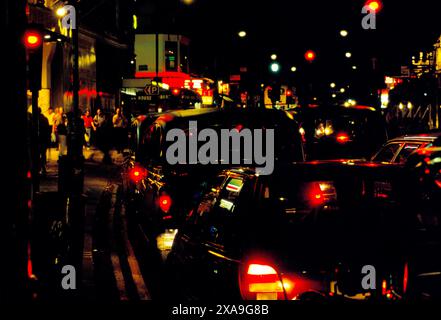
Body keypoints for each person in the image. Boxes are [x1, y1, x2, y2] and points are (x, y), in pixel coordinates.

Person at [38, 108, 51, 175]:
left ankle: (40, 168)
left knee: (38, 154)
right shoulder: (45, 119)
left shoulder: (36, 119)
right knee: (43, 154)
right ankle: (43, 167)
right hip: (44, 139)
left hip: (38, 139)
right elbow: (48, 130)